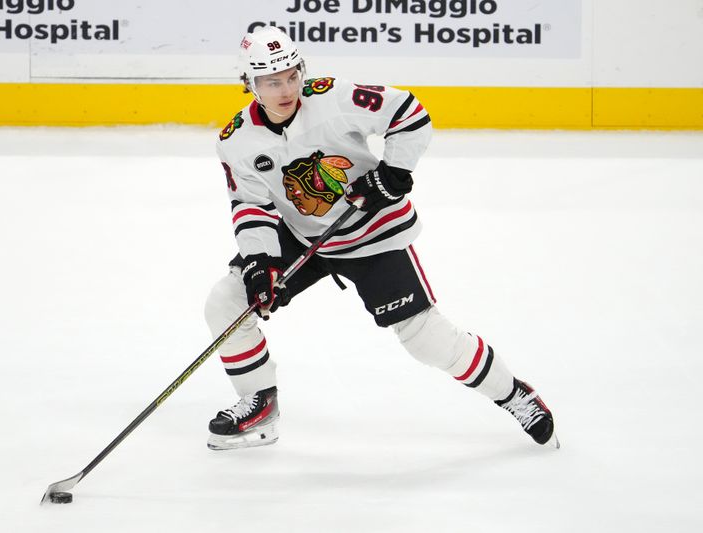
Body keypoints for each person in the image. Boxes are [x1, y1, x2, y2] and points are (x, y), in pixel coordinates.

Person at [205, 26, 558, 451]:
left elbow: (409, 112)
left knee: (425, 339)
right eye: (271, 81)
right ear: (249, 84)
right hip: (303, 234)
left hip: (373, 232)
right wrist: (262, 263)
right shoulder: (237, 139)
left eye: (292, 75)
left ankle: (514, 394)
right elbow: (251, 207)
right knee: (228, 302)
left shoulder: (332, 97)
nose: (286, 89)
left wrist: (393, 173)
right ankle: (258, 403)